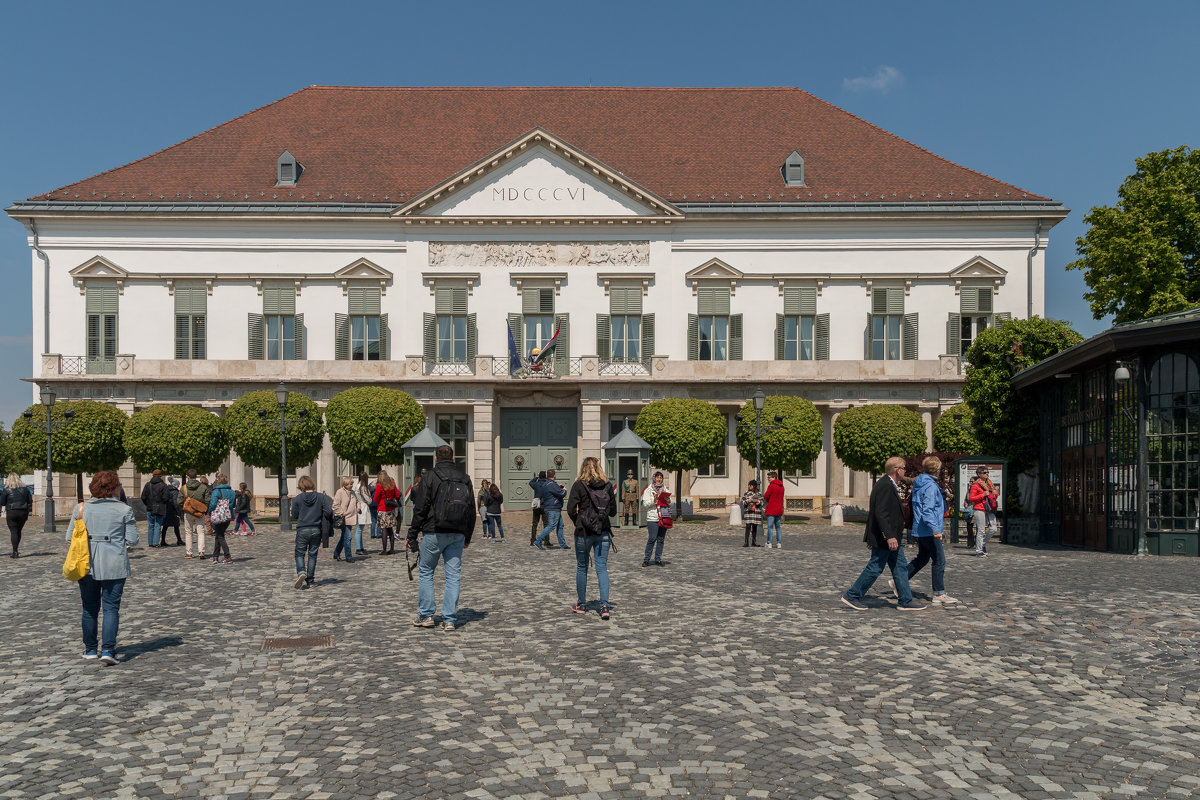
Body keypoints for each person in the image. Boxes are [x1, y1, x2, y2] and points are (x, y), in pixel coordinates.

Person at [69, 471, 138, 664]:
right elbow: (133, 539)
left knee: (89, 608)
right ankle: (108, 650)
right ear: (114, 488)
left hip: (86, 563)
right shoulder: (124, 510)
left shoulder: (81, 509)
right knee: (110, 608)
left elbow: (69, 537)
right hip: (114, 563)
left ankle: (90, 649)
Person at [841, 457, 926, 611]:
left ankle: (905, 600)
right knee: (875, 567)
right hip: (886, 538)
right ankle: (852, 595)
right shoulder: (885, 485)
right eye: (903, 467)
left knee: (900, 567)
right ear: (896, 469)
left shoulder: (888, 484)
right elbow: (880, 514)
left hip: (892, 537)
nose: (905, 470)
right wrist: (889, 536)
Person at [407, 445, 476, 631]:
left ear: (436, 458)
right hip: (457, 533)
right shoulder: (465, 478)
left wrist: (412, 534)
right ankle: (449, 619)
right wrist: (467, 535)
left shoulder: (429, 476)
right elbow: (471, 509)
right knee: (453, 576)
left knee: (426, 572)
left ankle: (427, 615)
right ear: (453, 458)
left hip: (433, 531)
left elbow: (420, 508)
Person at [898, 456, 959, 605]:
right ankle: (939, 593)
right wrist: (936, 530)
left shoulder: (920, 483)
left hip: (920, 529)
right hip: (929, 530)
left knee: (922, 558)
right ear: (937, 469)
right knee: (939, 561)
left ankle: (899, 581)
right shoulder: (930, 486)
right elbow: (928, 510)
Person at [566, 456, 617, 619]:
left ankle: (581, 604)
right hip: (603, 532)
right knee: (601, 568)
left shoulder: (578, 485)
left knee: (582, 567)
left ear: (583, 468)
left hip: (584, 533)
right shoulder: (607, 485)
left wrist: (579, 522)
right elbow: (614, 511)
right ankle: (604, 606)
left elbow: (570, 509)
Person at [290, 474, 332, 589]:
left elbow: (294, 515)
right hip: (316, 529)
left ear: (301, 486)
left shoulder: (297, 498)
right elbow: (328, 511)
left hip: (302, 528)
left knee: (299, 553)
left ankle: (301, 572)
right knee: (312, 555)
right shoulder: (321, 497)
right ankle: (310, 580)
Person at [177, 469, 211, 559]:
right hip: (200, 512)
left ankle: (189, 553)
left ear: (188, 477)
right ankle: (201, 551)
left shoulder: (184, 487)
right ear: (196, 476)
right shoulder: (203, 487)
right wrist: (203, 508)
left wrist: (185, 507)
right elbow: (207, 500)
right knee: (201, 531)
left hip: (188, 512)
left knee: (188, 532)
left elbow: (179, 501)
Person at [968, 466, 999, 557]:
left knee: (994, 528)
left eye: (987, 472)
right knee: (981, 530)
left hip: (989, 508)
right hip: (979, 508)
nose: (987, 474)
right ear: (979, 474)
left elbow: (993, 497)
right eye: (985, 472)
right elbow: (971, 498)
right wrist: (982, 494)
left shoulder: (989, 484)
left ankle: (982, 544)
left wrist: (995, 494)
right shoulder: (975, 485)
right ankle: (979, 550)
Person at [534, 469, 568, 550]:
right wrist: (564, 490)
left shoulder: (547, 483)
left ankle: (563, 544)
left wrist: (558, 488)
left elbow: (554, 492)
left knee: (560, 526)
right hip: (553, 508)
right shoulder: (551, 484)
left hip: (553, 507)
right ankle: (538, 541)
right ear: (554, 475)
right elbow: (561, 494)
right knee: (551, 526)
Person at [2, 472, 34, 558]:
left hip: (11, 511)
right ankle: (16, 550)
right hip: (23, 512)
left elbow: (2, 503)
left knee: (13, 531)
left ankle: (15, 551)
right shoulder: (25, 489)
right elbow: (30, 501)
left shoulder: (6, 490)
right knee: (18, 530)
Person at [206, 473, 236, 564]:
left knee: (220, 536)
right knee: (219, 535)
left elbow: (213, 504)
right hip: (227, 516)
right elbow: (233, 504)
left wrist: (209, 512)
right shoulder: (232, 492)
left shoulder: (216, 491)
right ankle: (215, 556)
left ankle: (227, 556)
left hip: (217, 516)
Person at [641, 471, 668, 567]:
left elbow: (671, 502)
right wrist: (654, 500)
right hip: (652, 518)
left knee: (661, 539)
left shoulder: (665, 489)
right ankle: (646, 559)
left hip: (663, 516)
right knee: (652, 538)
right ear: (654, 478)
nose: (659, 479)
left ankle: (658, 559)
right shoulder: (648, 490)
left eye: (661, 477)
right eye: (657, 477)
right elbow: (645, 504)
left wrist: (669, 500)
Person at [139, 469, 171, 548]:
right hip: (159, 508)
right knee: (157, 525)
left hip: (149, 508)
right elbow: (166, 498)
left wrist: (148, 504)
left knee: (150, 525)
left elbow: (143, 497)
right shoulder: (163, 485)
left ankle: (150, 542)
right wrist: (162, 503)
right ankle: (155, 543)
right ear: (160, 476)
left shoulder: (147, 484)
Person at [332, 477, 360, 563]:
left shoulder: (352, 493)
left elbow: (357, 501)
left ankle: (336, 553)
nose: (351, 485)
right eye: (349, 484)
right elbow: (335, 505)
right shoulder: (340, 492)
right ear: (345, 484)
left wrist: (358, 507)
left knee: (344, 537)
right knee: (348, 537)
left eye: (352, 484)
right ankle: (348, 556)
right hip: (344, 518)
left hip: (351, 517)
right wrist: (342, 513)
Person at [373, 471, 400, 555]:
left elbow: (376, 499)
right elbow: (398, 495)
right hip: (391, 508)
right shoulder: (392, 484)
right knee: (390, 529)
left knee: (383, 529)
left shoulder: (379, 486)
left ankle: (384, 549)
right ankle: (392, 549)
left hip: (382, 508)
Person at [762, 471, 785, 549]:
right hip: (779, 509)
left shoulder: (771, 486)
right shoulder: (782, 486)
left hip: (771, 509)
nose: (768, 479)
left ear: (774, 477)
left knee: (770, 527)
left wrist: (769, 500)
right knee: (778, 527)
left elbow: (766, 496)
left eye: (769, 477)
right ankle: (779, 543)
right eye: (768, 477)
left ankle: (769, 542)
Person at [353, 473, 374, 555]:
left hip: (360, 505)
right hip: (363, 506)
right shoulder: (363, 488)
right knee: (359, 529)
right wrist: (369, 500)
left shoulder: (357, 486)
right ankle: (358, 548)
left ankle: (360, 547)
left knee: (360, 528)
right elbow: (369, 500)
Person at [741, 479, 764, 547]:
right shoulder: (746, 493)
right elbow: (742, 502)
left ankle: (754, 542)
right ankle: (746, 542)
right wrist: (747, 501)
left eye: (750, 485)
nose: (749, 486)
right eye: (748, 485)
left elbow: (762, 502)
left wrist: (757, 501)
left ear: (754, 486)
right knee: (748, 527)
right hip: (749, 512)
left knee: (755, 527)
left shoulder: (759, 493)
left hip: (756, 512)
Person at [529, 470, 548, 545]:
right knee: (546, 524)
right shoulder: (547, 484)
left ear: (539, 476)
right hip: (545, 506)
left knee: (534, 524)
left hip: (536, 506)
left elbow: (530, 483)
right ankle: (546, 541)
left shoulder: (536, 484)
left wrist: (536, 477)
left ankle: (533, 540)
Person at [163, 478, 182, 546]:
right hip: (173, 511)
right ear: (176, 485)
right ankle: (179, 540)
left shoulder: (166, 490)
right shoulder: (175, 492)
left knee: (165, 526)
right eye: (178, 484)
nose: (179, 486)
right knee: (176, 526)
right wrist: (178, 512)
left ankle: (162, 540)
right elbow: (175, 503)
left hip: (166, 510)